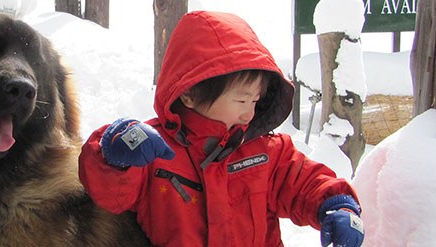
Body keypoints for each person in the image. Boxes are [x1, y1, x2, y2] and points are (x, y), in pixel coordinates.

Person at [78, 11, 364, 247]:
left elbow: (305, 182)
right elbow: (109, 194)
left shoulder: (267, 152)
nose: (249, 111)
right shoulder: (155, 153)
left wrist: (337, 204)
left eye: (255, 100)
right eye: (241, 99)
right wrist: (113, 155)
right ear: (189, 93)